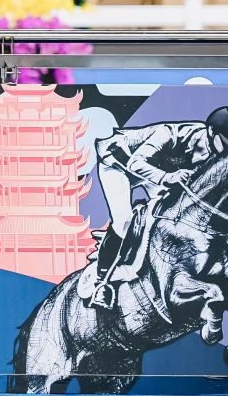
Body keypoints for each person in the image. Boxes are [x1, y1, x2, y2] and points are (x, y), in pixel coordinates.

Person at [82, 109, 228, 310]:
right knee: (124, 221)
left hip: (157, 172)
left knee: (168, 211)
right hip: (119, 163)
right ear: (211, 131)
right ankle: (102, 283)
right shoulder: (169, 134)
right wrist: (167, 177)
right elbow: (135, 163)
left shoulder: (215, 154)